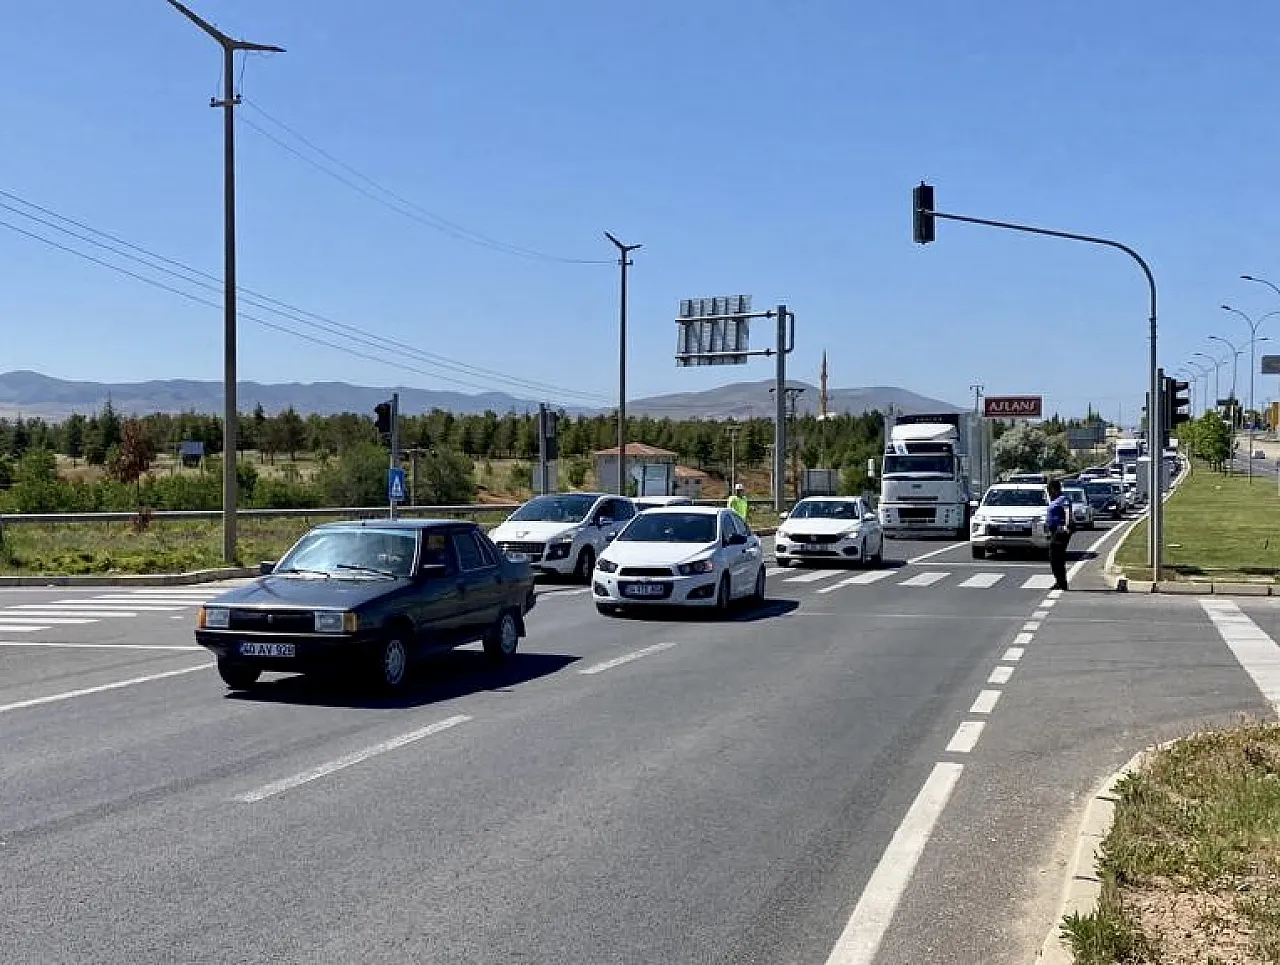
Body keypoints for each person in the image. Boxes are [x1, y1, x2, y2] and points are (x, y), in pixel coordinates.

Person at [1044, 479, 1073, 591]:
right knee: (1056, 558)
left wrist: (1066, 525)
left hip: (1060, 531)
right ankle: (1060, 582)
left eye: (1049, 490)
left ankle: (1061, 582)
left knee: (1055, 556)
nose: (1049, 493)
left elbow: (1067, 511)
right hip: (1054, 531)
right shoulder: (1055, 500)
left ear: (1054, 489)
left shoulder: (1063, 499)